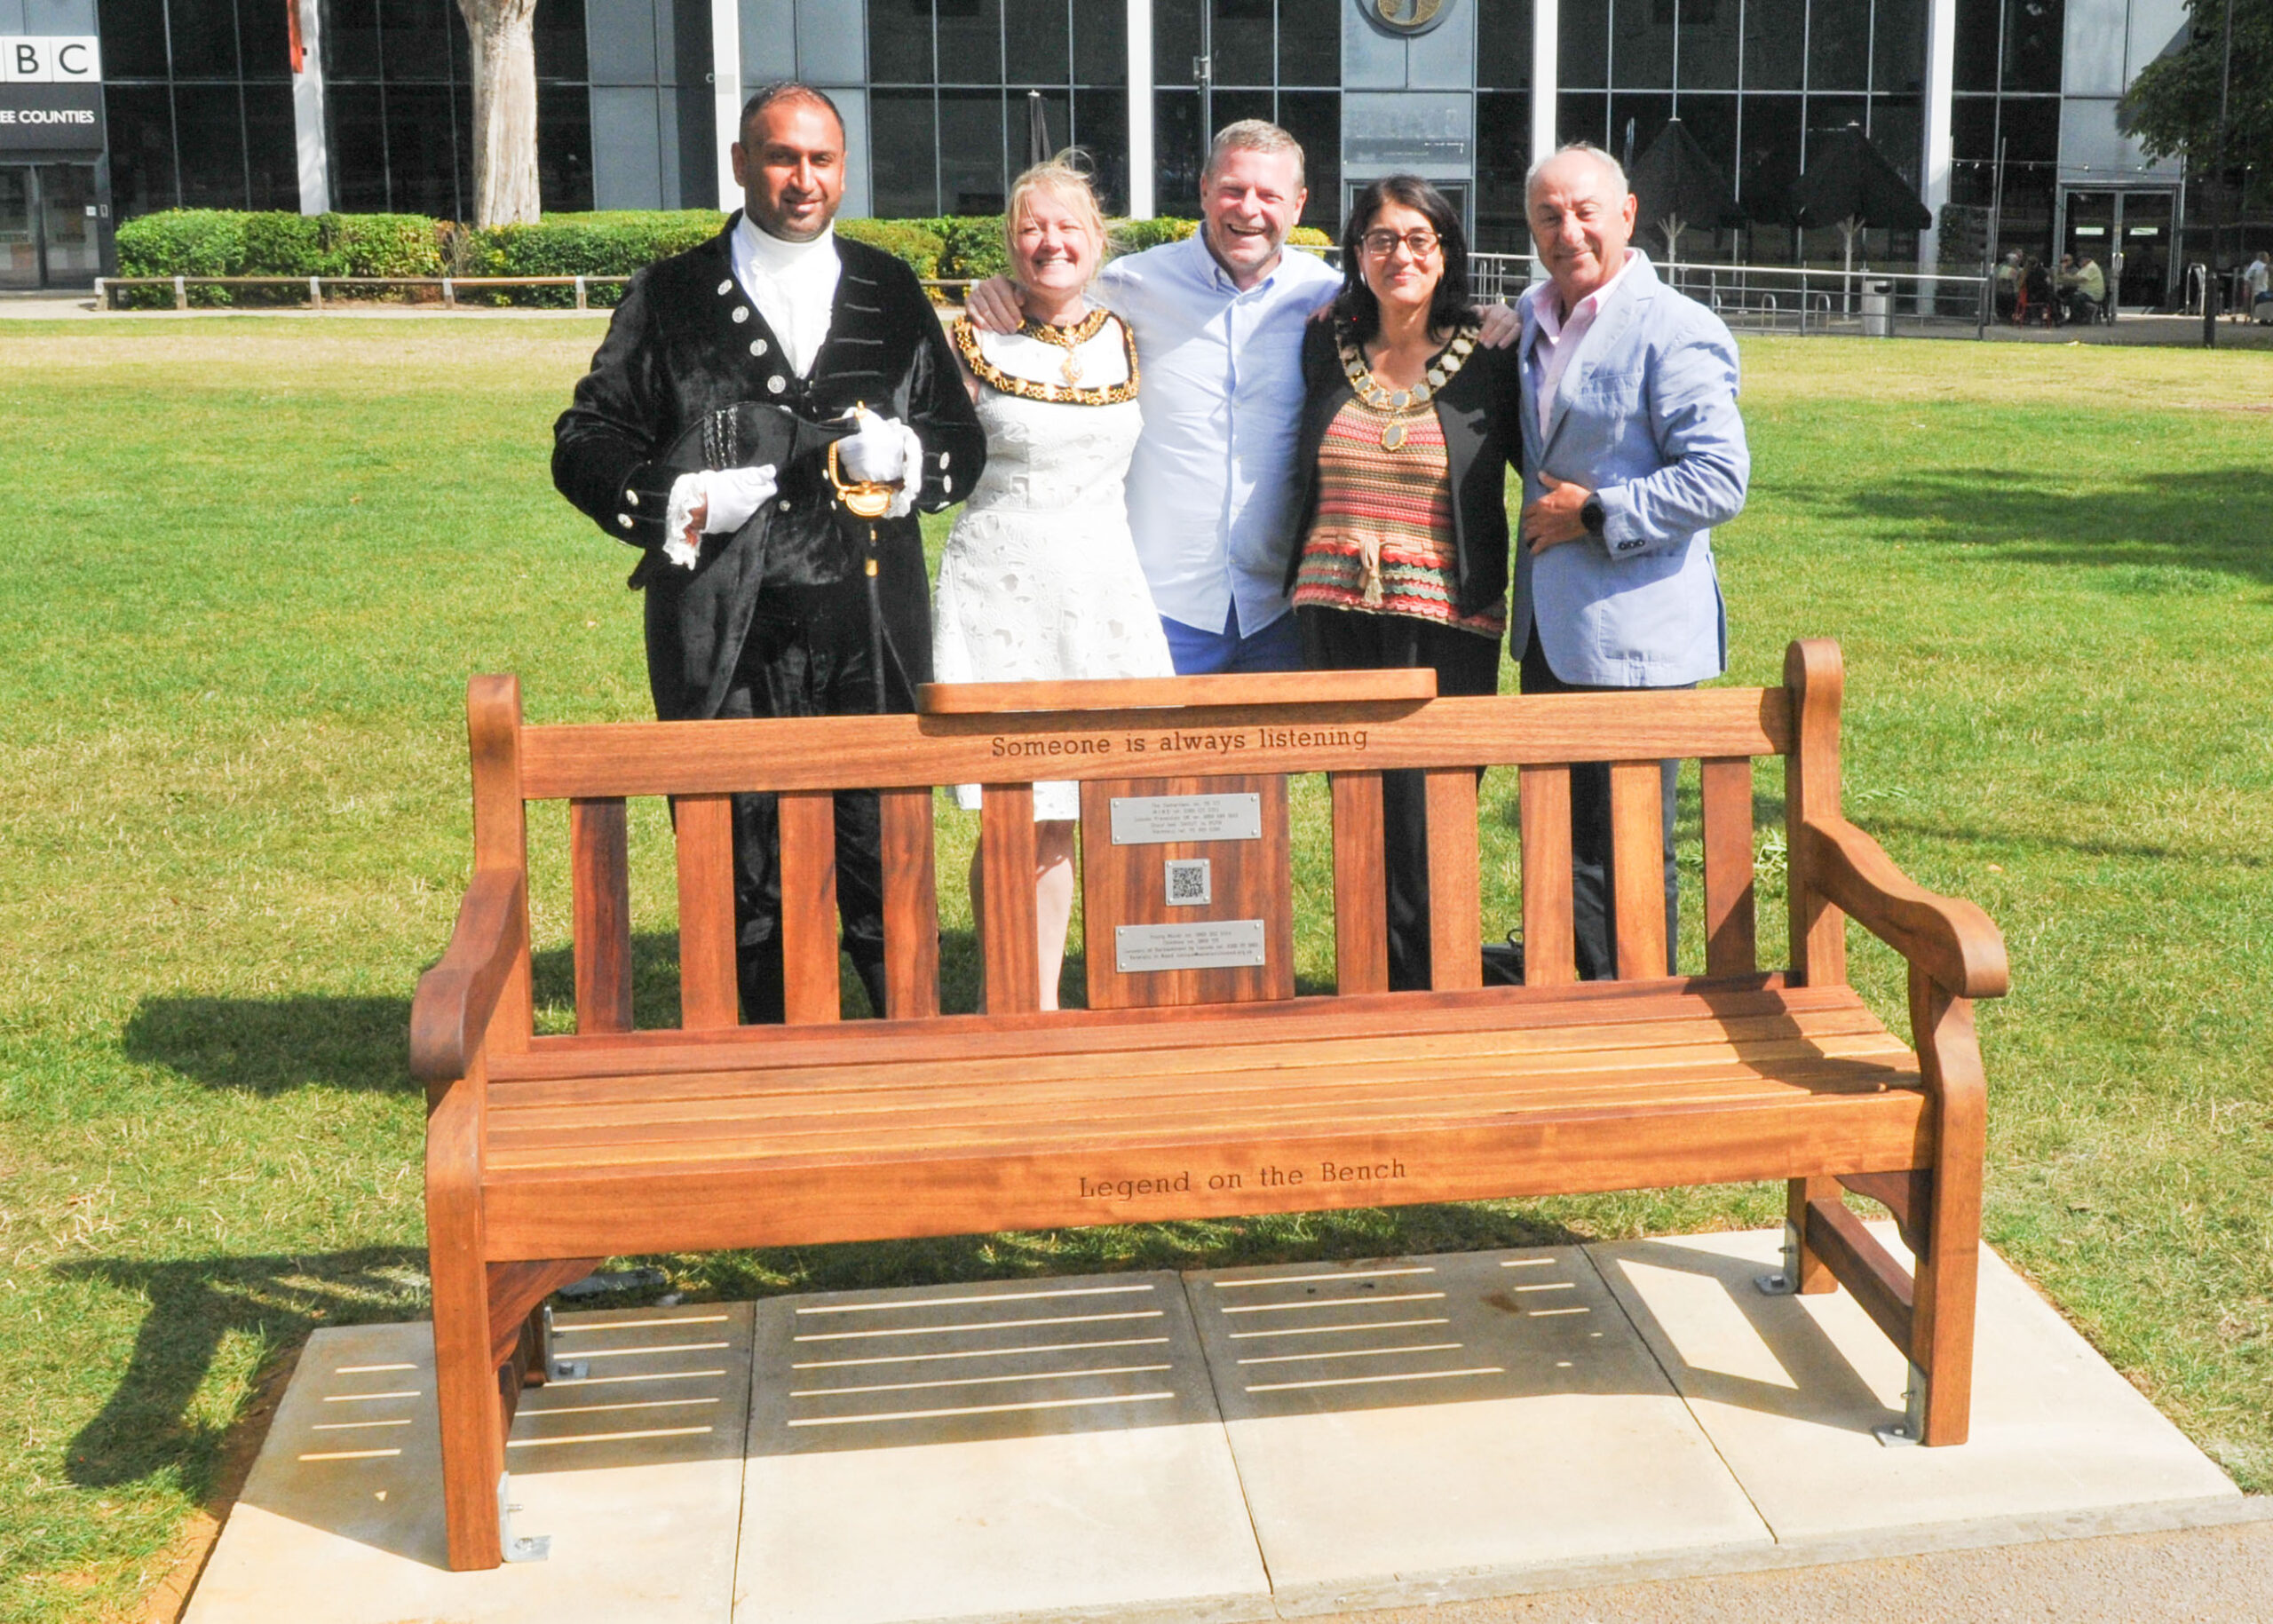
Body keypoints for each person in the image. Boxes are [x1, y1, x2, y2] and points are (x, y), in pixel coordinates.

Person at [552, 83, 986, 1024]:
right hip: (723, 626)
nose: (803, 179)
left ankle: (905, 1049)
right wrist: (675, 497)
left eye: (822, 160)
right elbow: (585, 438)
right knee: (739, 852)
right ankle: (752, 1054)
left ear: (844, 168)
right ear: (741, 162)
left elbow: (961, 439)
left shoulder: (888, 287)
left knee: (883, 844)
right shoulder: (667, 294)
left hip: (869, 622)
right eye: (782, 157)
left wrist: (911, 457)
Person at [966, 121, 1520, 676]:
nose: (1248, 208)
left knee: (1266, 765)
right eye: (1233, 188)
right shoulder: (1129, 286)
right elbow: (1056, 287)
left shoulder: (1327, 300)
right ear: (1205, 189)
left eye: (1270, 195)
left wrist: (1492, 317)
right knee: (1152, 761)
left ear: (1299, 205)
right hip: (1161, 605)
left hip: (1276, 609)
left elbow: (1418, 308)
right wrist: (1002, 288)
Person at [935, 156, 1174, 1009]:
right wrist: (970, 298)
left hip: (1103, 582)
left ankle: (1070, 990)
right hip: (1000, 584)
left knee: (1073, 808)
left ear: (1098, 239)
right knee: (1014, 804)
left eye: (1067, 225)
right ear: (1009, 243)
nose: (1050, 242)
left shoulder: (1130, 332)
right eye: (1031, 227)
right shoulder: (969, 335)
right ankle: (1015, 1000)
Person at [1513, 144, 1749, 981]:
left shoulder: (1675, 328)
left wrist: (1595, 512)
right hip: (1548, 634)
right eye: (1548, 215)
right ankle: (1575, 999)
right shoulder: (1530, 319)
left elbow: (1720, 479)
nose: (1567, 230)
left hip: (1638, 638)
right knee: (1566, 838)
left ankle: (1643, 1004)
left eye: (1584, 211)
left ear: (1627, 214)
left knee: (1633, 846)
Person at [1285, 176, 1520, 990]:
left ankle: (1437, 980)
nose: (1401, 255)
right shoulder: (1326, 340)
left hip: (1447, 619)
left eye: (1421, 239)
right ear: (1357, 252)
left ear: (1447, 252)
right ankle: (1370, 979)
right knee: (1359, 803)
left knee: (1432, 809)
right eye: (1382, 239)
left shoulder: (1493, 351)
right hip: (1335, 611)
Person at [1994, 250, 2022, 324]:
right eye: (2014, 261)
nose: (2016, 262)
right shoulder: (2006, 268)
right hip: (2005, 292)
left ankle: (2010, 316)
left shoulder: (2001, 268)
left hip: (2004, 292)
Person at [2246, 250, 2272, 323]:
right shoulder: (2262, 265)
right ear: (2265, 258)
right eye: (2268, 257)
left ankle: (2264, 319)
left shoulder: (2254, 264)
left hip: (2254, 293)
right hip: (2260, 294)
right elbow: (2268, 268)